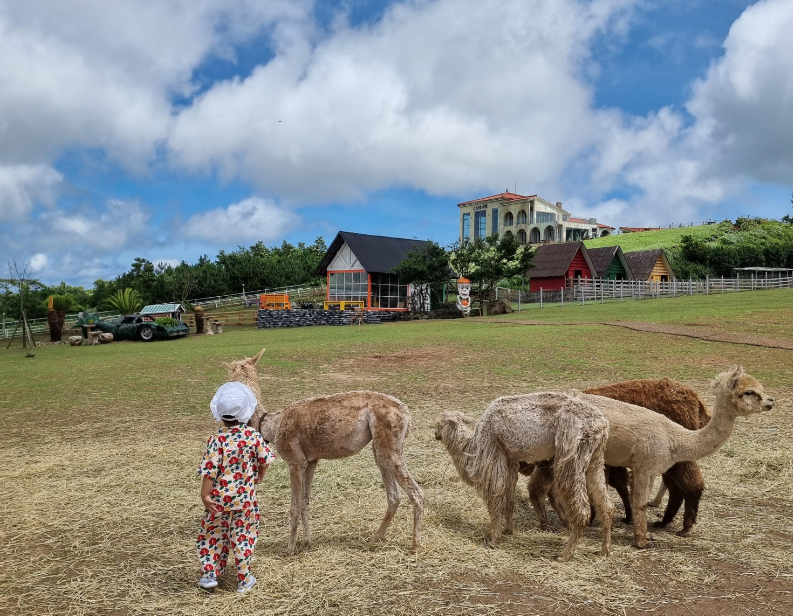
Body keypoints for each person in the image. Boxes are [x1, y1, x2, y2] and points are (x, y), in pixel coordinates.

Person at [196, 382, 275, 592]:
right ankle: (244, 579)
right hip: (245, 500)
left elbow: (209, 471)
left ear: (220, 414)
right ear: (246, 412)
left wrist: (205, 495)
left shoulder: (216, 440)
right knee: (243, 536)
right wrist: (260, 472)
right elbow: (265, 459)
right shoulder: (252, 436)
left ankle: (209, 574)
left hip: (218, 501)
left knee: (212, 535)